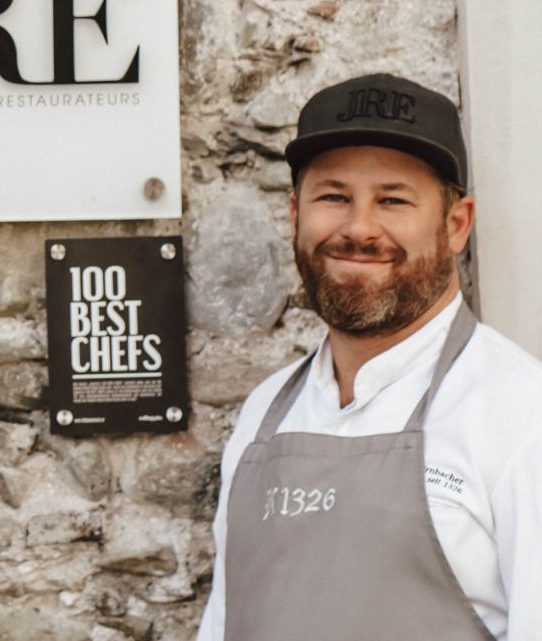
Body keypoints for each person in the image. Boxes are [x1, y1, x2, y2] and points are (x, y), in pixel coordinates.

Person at [196, 73, 542, 640]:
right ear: (295, 214)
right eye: (334, 197)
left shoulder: (521, 416)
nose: (359, 229)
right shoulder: (263, 414)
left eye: (393, 200)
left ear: (456, 224)